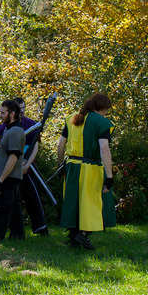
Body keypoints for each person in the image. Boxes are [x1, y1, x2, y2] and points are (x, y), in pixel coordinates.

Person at [57, 93, 115, 250]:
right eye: (106, 110)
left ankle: (73, 237)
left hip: (71, 165)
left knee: (73, 202)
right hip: (90, 168)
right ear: (101, 108)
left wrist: (60, 163)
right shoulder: (102, 122)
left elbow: (61, 144)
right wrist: (109, 175)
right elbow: (104, 148)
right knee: (93, 203)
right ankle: (82, 235)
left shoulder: (71, 118)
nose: (106, 114)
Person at [0, 100, 34, 241]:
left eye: (3, 112)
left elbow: (14, 157)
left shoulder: (15, 131)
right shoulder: (9, 129)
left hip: (8, 176)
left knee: (1, 208)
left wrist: (1, 179)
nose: (0, 115)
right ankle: (17, 235)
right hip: (7, 175)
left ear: (12, 113)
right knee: (14, 208)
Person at [13, 97, 49, 236]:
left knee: (33, 197)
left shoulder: (31, 124)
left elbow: (35, 146)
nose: (21, 112)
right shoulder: (6, 124)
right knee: (11, 198)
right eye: (18, 109)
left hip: (28, 167)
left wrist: (27, 164)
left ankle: (40, 228)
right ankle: (13, 230)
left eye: (23, 109)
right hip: (11, 167)